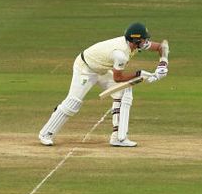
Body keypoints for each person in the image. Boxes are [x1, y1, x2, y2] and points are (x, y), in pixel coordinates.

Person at [39, 23, 170, 147]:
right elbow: (118, 78)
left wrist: (163, 63)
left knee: (124, 91)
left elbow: (162, 46)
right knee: (73, 102)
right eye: (143, 40)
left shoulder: (135, 44)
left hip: (101, 69)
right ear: (135, 41)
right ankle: (46, 134)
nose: (146, 43)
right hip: (85, 68)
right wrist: (139, 74)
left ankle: (119, 138)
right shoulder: (120, 54)